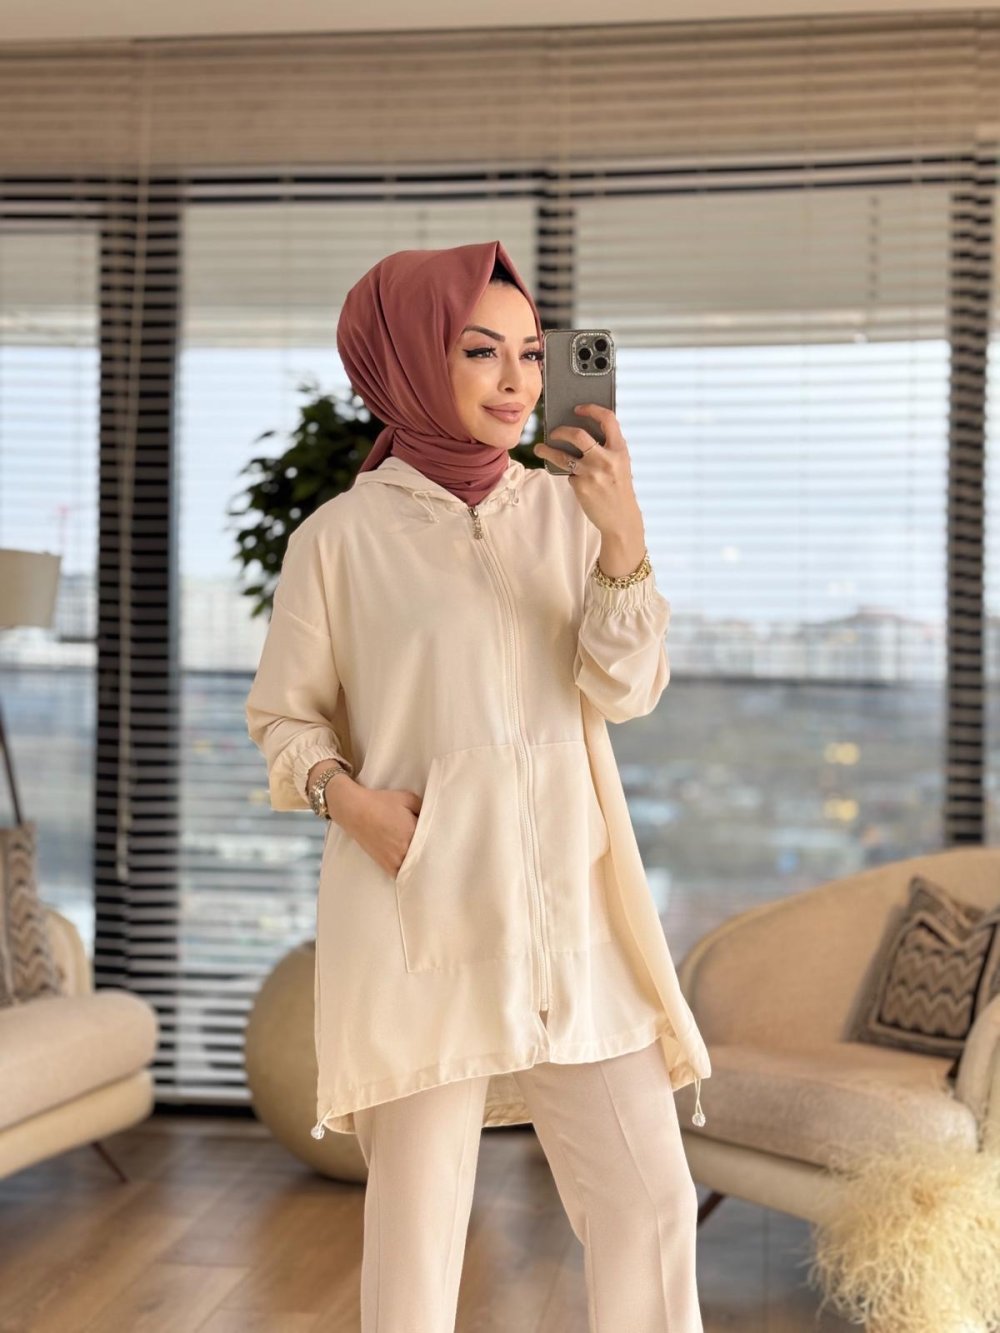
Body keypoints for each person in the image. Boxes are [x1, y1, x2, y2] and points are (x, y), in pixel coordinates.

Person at [245, 239, 712, 1332]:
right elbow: (284, 717)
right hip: (424, 909)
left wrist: (622, 536)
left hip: (574, 915)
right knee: (418, 1235)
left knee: (650, 1201)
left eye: (533, 353)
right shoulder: (337, 541)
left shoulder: (567, 513)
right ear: (411, 358)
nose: (516, 381)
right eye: (480, 350)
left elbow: (625, 686)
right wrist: (351, 802)